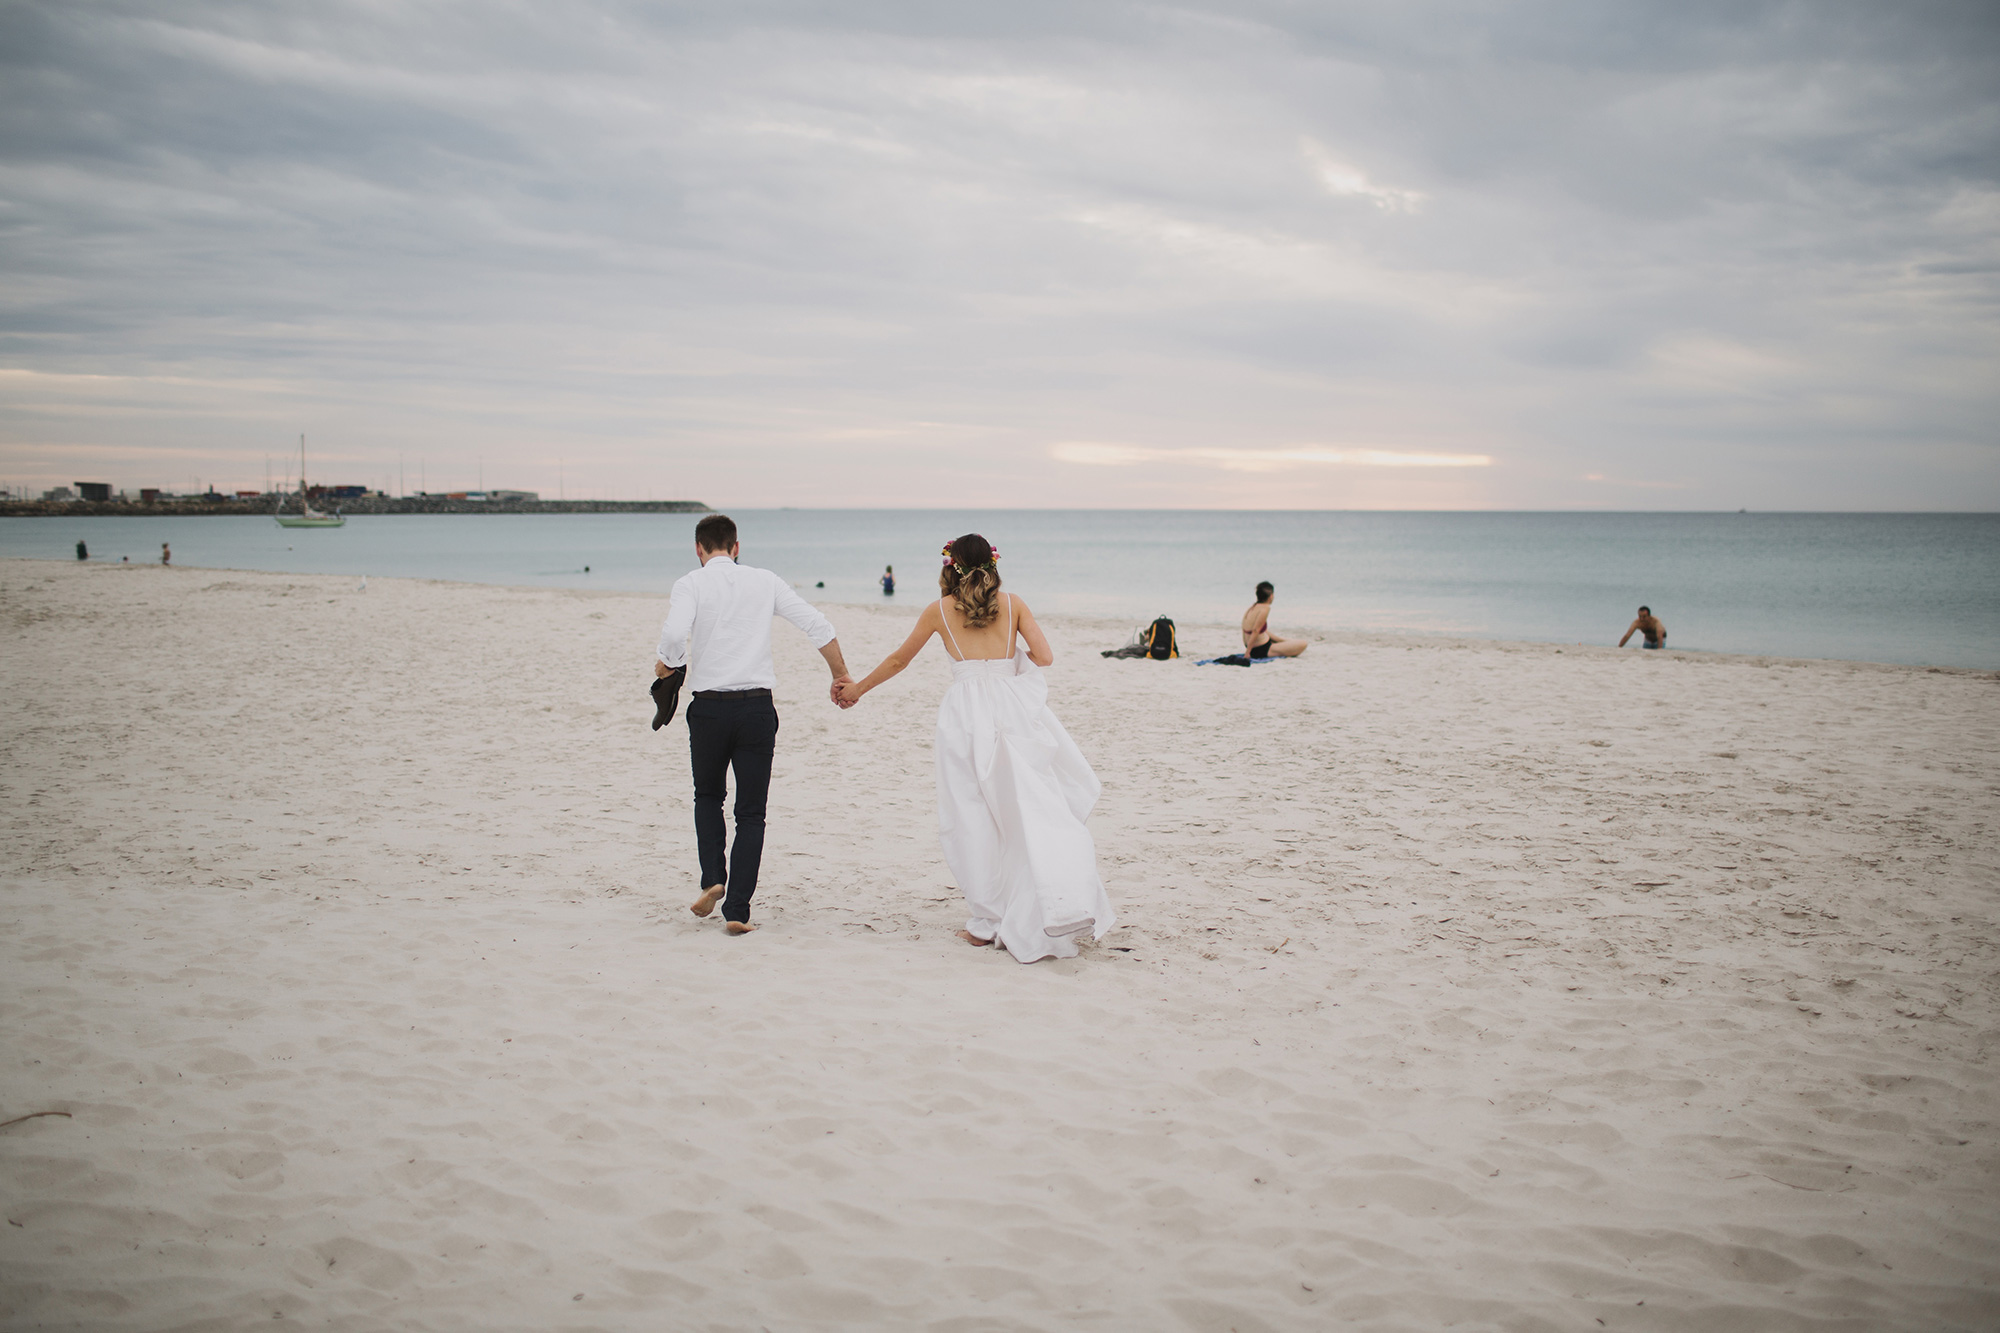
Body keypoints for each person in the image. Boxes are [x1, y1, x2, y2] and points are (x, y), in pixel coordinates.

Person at [837, 534, 1115, 963]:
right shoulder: (1014, 603)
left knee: (970, 814)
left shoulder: (939, 611)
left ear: (951, 566)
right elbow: (1044, 657)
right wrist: (1004, 661)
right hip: (1012, 711)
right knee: (1025, 808)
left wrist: (857, 689)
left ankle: (987, 922)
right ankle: (1043, 902)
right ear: (992, 564)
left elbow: (898, 661)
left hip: (965, 716)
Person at [655, 514, 852, 935]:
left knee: (707, 796)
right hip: (756, 710)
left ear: (699, 549)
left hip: (708, 708)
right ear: (737, 547)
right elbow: (817, 625)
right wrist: (840, 675)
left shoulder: (691, 583)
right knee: (751, 812)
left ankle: (713, 879)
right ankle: (738, 911)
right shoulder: (765, 581)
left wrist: (670, 665)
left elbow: (674, 635)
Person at [1242, 582, 1307, 658]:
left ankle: (1282, 640)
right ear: (1271, 596)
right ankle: (1283, 641)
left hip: (1256, 645)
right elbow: (1255, 630)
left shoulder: (1253, 607)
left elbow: (1250, 629)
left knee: (1284, 640)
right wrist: (1248, 653)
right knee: (1303, 643)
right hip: (1261, 649)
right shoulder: (1265, 608)